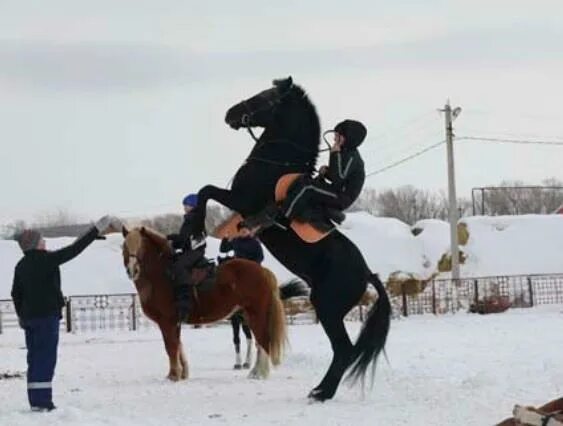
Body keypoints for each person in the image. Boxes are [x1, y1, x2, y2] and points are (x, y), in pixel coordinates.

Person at [11, 215, 122, 412]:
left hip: (29, 319)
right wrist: (96, 229)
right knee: (46, 358)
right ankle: (43, 402)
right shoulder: (47, 260)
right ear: (36, 244)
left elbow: (15, 293)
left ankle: (35, 399)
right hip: (47, 318)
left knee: (34, 358)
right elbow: (75, 249)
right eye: (42, 240)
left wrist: (21, 315)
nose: (45, 242)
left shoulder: (21, 265)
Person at [280, 119, 367, 223]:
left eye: (338, 136)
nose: (334, 138)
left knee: (308, 187)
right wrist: (326, 172)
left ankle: (283, 218)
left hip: (342, 197)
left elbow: (338, 179)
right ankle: (293, 208)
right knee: (305, 179)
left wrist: (335, 154)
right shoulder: (344, 151)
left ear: (348, 139)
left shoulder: (352, 157)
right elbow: (337, 174)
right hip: (336, 190)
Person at [166, 194, 207, 322]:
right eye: (184, 205)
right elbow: (183, 237)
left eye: (186, 205)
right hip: (191, 250)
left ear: (193, 205)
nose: (184, 208)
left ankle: (185, 301)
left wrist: (173, 241)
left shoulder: (193, 218)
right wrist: (172, 237)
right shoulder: (191, 218)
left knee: (179, 266)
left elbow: (184, 238)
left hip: (195, 251)